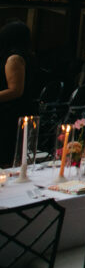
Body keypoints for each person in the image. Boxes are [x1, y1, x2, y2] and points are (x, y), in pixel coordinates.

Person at [0, 20, 36, 167]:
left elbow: (15, 90)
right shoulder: (24, 55)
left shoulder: (14, 58)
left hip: (9, 114)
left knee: (6, 156)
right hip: (16, 111)